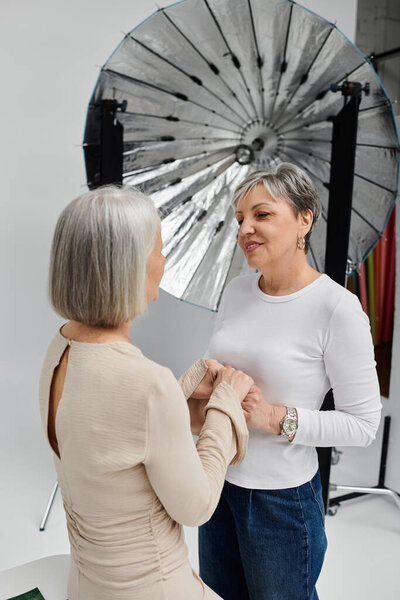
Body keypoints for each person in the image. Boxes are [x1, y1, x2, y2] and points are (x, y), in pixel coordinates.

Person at [39, 186, 254, 600]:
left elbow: (108, 439)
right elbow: (196, 507)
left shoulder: (59, 347)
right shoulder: (147, 383)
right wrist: (225, 406)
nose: (163, 260)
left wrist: (178, 396)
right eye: (158, 249)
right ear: (128, 267)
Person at [198, 163, 382, 600]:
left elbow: (363, 425)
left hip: (280, 502)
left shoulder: (336, 308)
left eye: (261, 215)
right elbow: (222, 368)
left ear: (304, 219)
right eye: (240, 218)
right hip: (216, 482)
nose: (245, 229)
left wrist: (276, 417)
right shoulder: (237, 290)